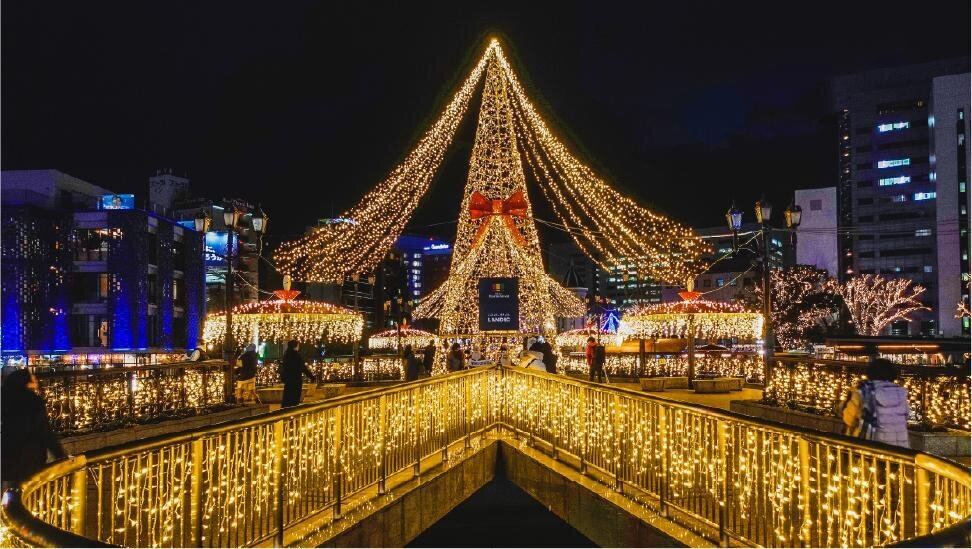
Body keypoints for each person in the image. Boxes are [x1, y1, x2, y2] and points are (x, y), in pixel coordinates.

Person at [1, 369, 67, 486]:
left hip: (7, 455)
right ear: (26, 382)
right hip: (29, 457)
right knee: (28, 492)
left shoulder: (4, 398)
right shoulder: (34, 402)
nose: (36, 381)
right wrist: (60, 456)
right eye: (33, 378)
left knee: (10, 490)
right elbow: (45, 432)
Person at [840, 358, 910, 448]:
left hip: (871, 450)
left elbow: (849, 419)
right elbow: (905, 417)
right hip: (898, 450)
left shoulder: (864, 392)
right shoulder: (900, 394)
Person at [280, 340, 316, 407]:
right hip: (296, 379)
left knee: (287, 395)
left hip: (288, 379)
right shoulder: (297, 355)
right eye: (298, 345)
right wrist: (311, 376)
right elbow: (303, 368)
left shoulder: (286, 355)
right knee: (295, 397)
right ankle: (293, 410)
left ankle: (285, 410)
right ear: (295, 346)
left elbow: (283, 367)